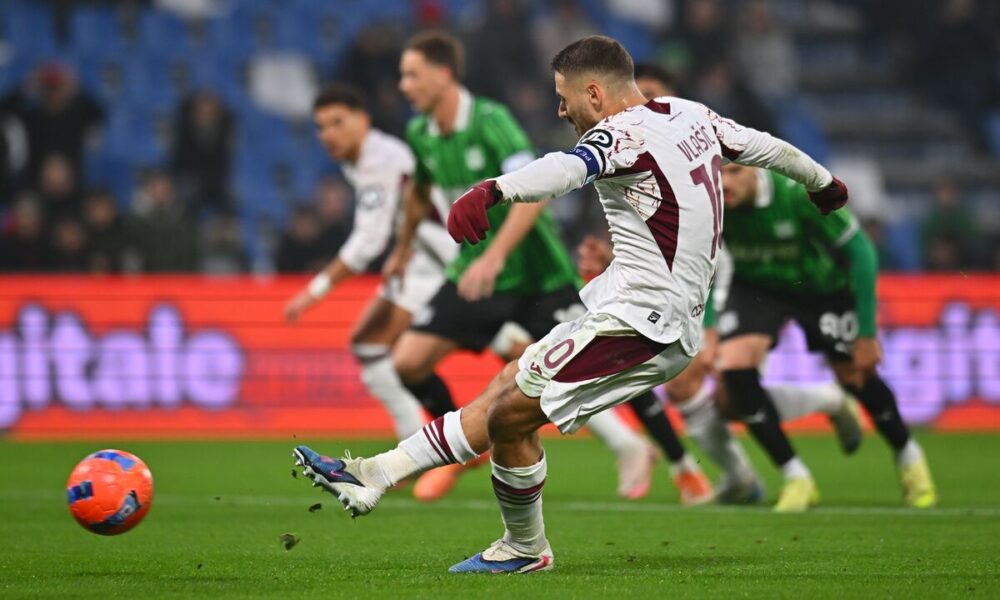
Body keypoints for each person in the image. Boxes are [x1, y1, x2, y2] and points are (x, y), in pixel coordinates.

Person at [293, 35, 850, 573]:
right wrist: (822, 182)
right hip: (630, 309)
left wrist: (493, 190)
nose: (561, 110)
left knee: (512, 412)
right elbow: (768, 147)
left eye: (564, 98)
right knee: (510, 385)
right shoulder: (690, 115)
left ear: (593, 93)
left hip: (646, 324)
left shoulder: (620, 133)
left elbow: (563, 169)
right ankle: (377, 474)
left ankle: (511, 541)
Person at [382, 31, 704, 502]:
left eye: (412, 74)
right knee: (409, 361)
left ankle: (674, 462)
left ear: (443, 73)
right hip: (474, 274)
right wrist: (403, 247)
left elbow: (537, 194)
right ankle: (464, 448)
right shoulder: (418, 133)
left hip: (536, 275)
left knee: (608, 360)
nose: (403, 85)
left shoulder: (492, 121)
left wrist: (495, 255)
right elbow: (418, 191)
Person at [578, 63, 864, 506]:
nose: (633, 106)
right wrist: (610, 261)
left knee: (708, 384)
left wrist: (707, 323)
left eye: (649, 94)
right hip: (686, 285)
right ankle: (753, 466)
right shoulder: (630, 151)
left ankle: (769, 470)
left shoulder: (690, 136)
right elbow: (655, 242)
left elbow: (704, 244)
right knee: (720, 398)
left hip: (720, 283)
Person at [713, 162, 938, 511]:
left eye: (735, 171)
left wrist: (866, 333)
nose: (725, 182)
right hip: (757, 287)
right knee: (731, 383)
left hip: (819, 288)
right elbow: (699, 263)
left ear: (757, 170)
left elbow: (861, 250)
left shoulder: (797, 194)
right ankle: (796, 476)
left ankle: (909, 457)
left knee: (855, 375)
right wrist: (710, 326)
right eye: (719, 173)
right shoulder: (709, 202)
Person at [283, 84, 455, 442]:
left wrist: (314, 292)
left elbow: (368, 242)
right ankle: (420, 441)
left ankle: (445, 443)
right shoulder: (362, 159)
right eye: (321, 127)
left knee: (523, 352)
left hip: (444, 259)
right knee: (369, 344)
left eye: (337, 123)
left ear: (363, 120)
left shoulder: (379, 160)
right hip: (417, 258)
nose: (328, 135)